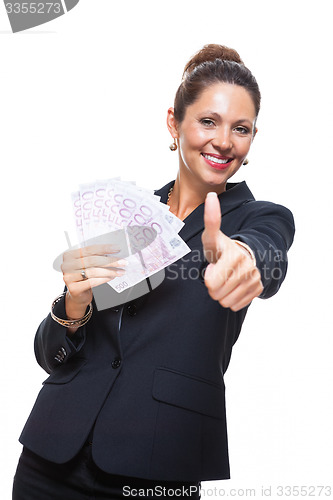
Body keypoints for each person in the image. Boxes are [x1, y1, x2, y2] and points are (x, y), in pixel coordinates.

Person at [13, 44, 295, 499]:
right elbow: (50, 355)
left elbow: (267, 253)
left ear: (251, 138)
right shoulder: (127, 213)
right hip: (50, 456)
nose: (224, 141)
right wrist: (74, 303)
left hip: (156, 468)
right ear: (174, 123)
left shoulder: (261, 217)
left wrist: (246, 259)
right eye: (208, 121)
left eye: (240, 129)